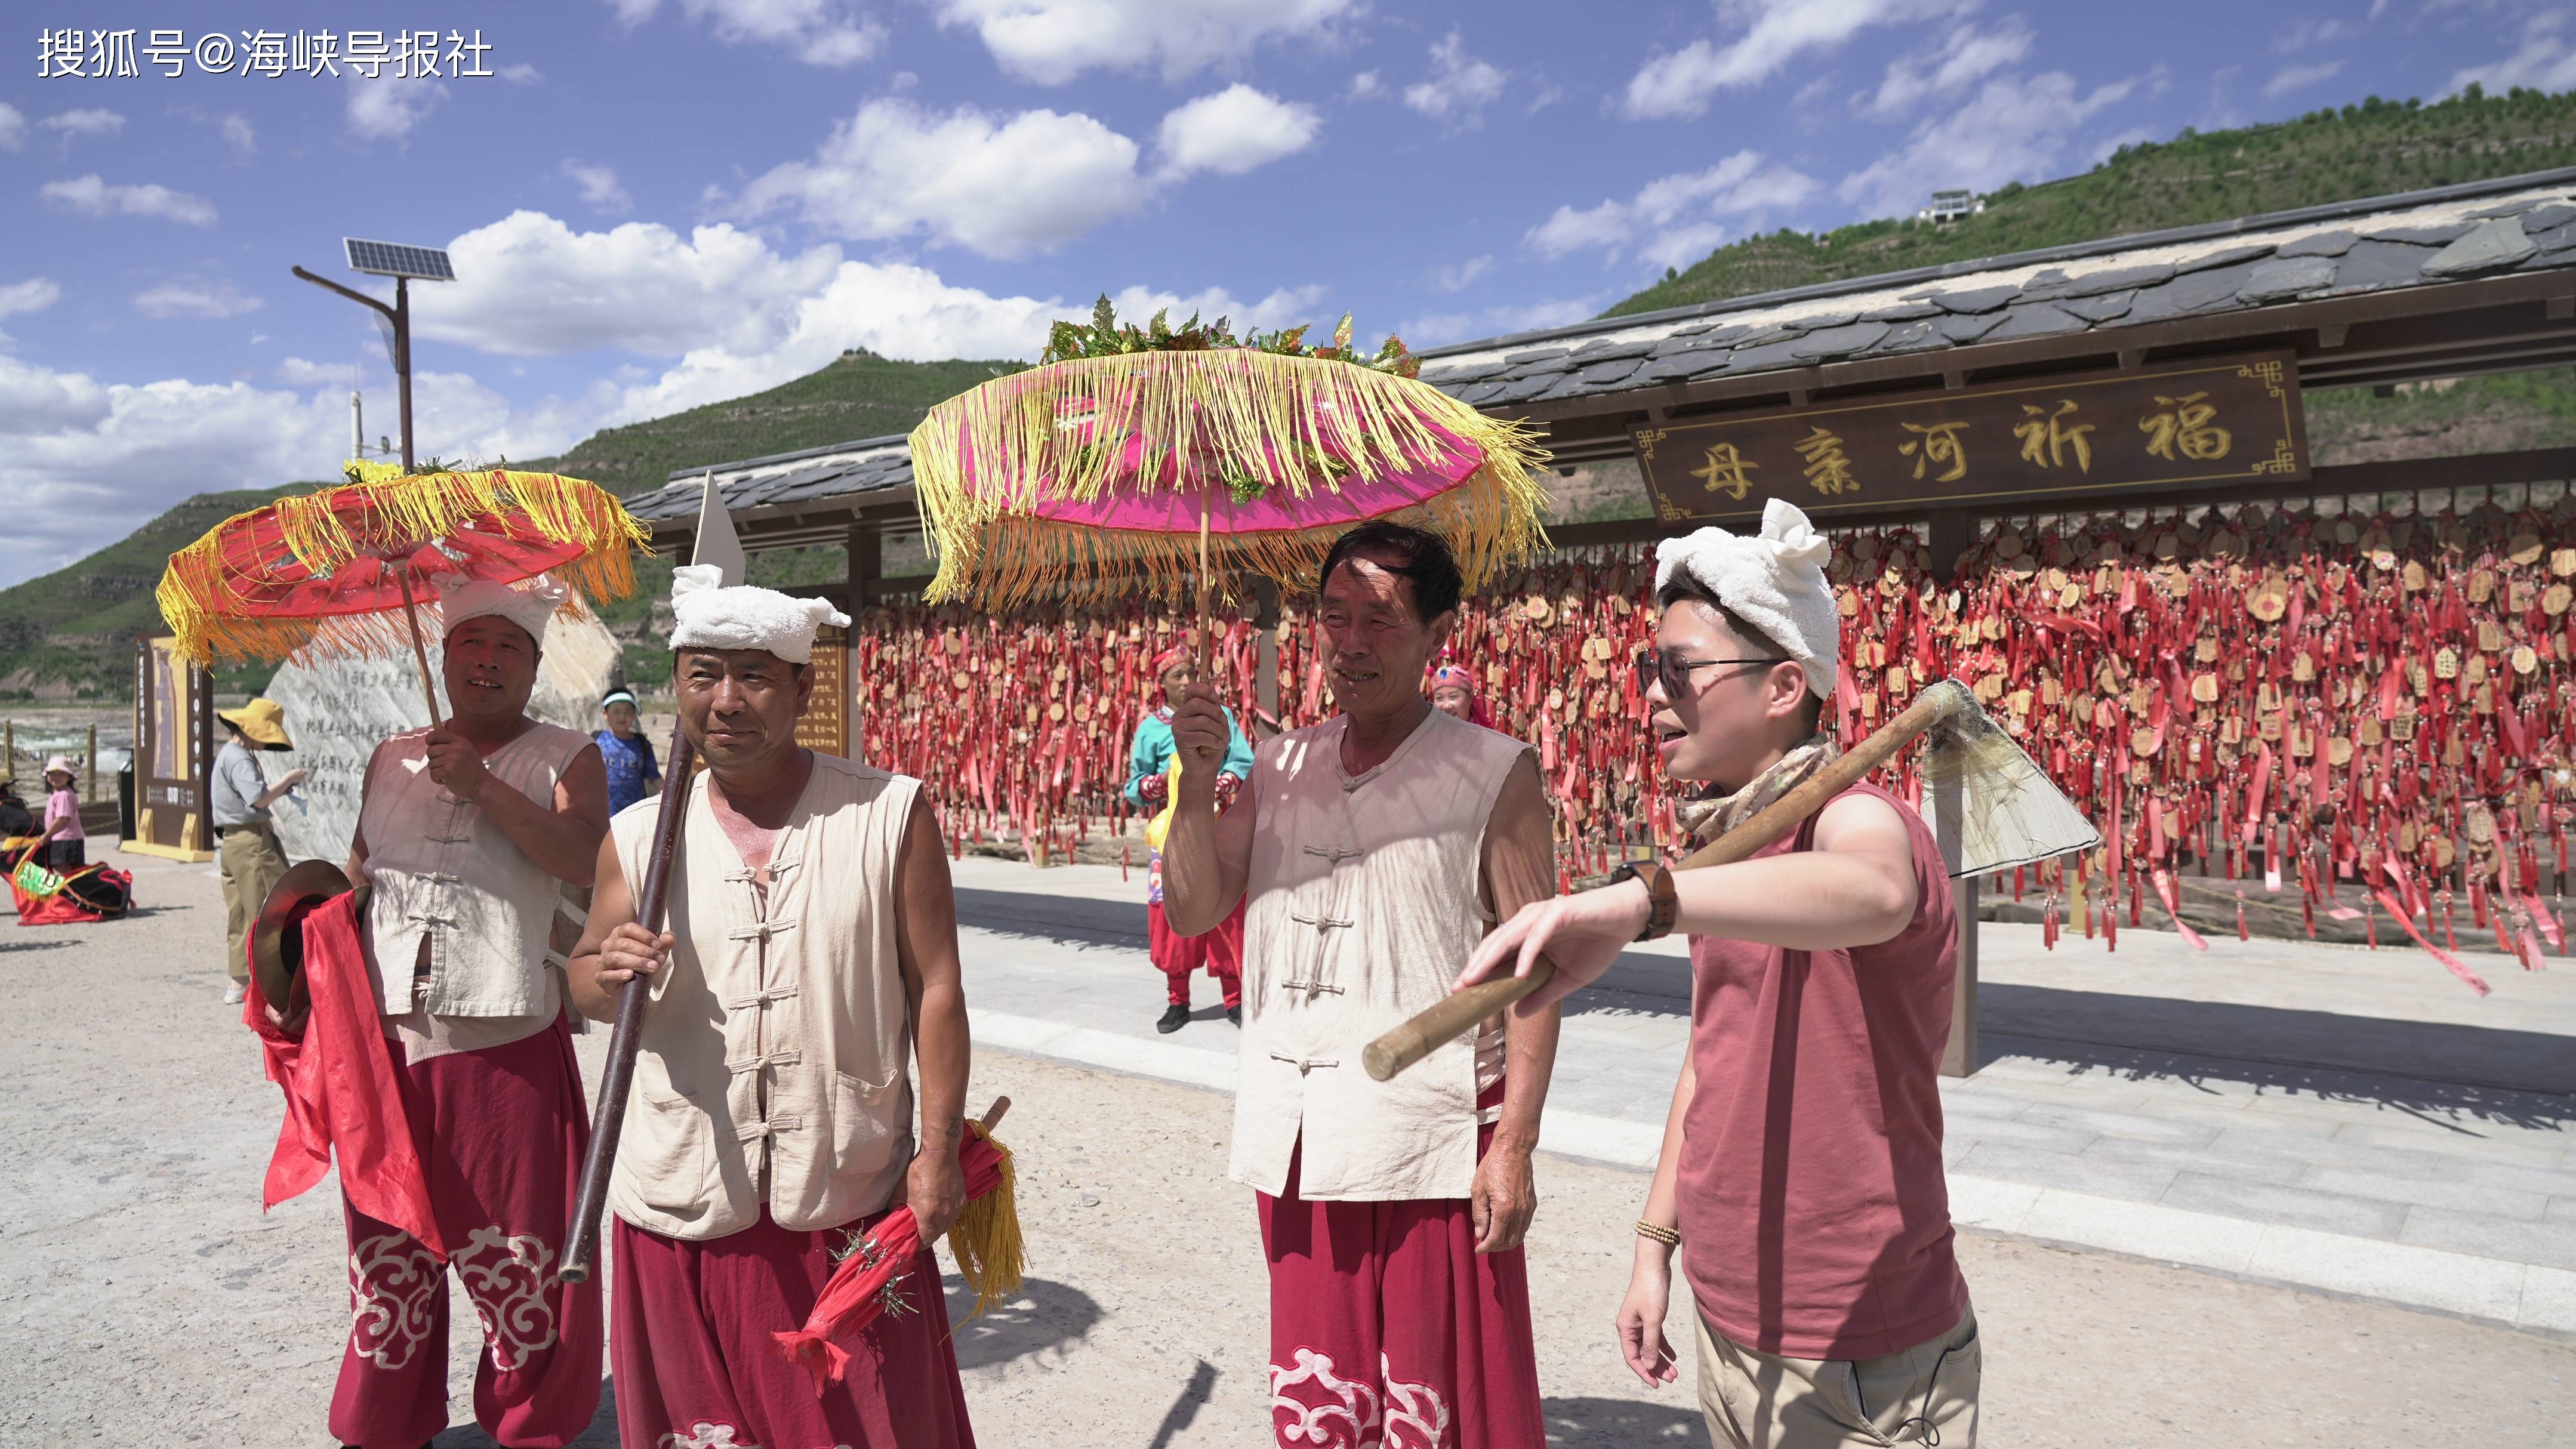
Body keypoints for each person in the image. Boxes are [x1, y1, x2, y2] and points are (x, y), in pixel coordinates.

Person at [1456, 498, 1979, 1449]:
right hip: (1729, 1309)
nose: (1652, 697)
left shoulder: (1856, 820)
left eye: (1678, 671)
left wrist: (1635, 902)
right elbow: (1714, 1055)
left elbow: (1876, 891)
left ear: (1785, 687)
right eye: (1648, 670)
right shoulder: (1729, 846)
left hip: (1858, 1337)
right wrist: (1656, 1246)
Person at [1161, 520, 1561, 1447]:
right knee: (1323, 1391)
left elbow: (1535, 972)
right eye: (1332, 617)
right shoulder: (1276, 764)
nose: (1350, 643)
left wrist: (1515, 1146)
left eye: (1379, 620)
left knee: (1439, 1398)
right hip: (1300, 1132)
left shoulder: (1495, 772)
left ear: (1436, 632)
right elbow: (1191, 911)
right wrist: (1192, 777)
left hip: (1431, 1139)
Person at [569, 564, 979, 1449]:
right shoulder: (637, 834)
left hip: (846, 1191)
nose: (726, 700)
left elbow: (937, 990)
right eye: (702, 676)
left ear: (801, 687)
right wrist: (607, 971)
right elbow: (583, 980)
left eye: (753, 675)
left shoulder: (888, 814)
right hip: (685, 1199)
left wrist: (938, 1150)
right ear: (676, 687)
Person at [331, 573, 609, 1449]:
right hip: (387, 1046)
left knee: (518, 1253)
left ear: (534, 666)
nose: (486, 662)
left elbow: (583, 859)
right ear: (445, 658)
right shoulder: (390, 755)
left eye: (508, 649)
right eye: (469, 645)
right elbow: (359, 874)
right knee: (391, 1248)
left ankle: (531, 1424)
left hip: (506, 1040)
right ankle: (384, 1422)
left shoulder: (568, 755)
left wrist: (482, 787)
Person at [1126, 645, 1254, 1032]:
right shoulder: (1151, 728)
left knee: (1227, 915)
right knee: (1171, 920)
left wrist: (1223, 779)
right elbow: (1134, 786)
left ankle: (1235, 1000)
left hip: (1219, 830)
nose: (1185, 681)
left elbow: (1244, 761)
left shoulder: (1222, 717)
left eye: (1190, 673)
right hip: (1170, 835)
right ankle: (1177, 1001)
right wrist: (1159, 783)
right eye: (1176, 675)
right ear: (1161, 683)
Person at [212, 698, 305, 1006]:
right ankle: (275, 986)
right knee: (271, 911)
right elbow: (259, 799)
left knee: (240, 914)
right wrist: (289, 781)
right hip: (252, 842)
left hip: (231, 842)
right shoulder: (240, 758)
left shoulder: (228, 754)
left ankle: (238, 982)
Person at [595, 686, 662, 815]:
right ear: (605, 714)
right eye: (616, 711)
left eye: (628, 712)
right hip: (602, 815)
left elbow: (654, 777)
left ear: (634, 715)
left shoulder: (642, 744)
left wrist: (667, 794)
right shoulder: (596, 742)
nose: (622, 716)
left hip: (634, 814)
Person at [39, 756, 85, 871]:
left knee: (63, 874)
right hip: (64, 839)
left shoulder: (64, 795)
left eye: (61, 774)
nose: (56, 777)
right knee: (69, 874)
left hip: (65, 840)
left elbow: (62, 819)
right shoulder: (57, 794)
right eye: (53, 774)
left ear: (69, 777)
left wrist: (47, 835)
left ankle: (66, 890)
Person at [1428, 661, 1495, 728]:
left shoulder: (1483, 737)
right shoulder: (1429, 736)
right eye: (1440, 698)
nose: (1446, 706)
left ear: (1470, 698)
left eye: (1453, 697)